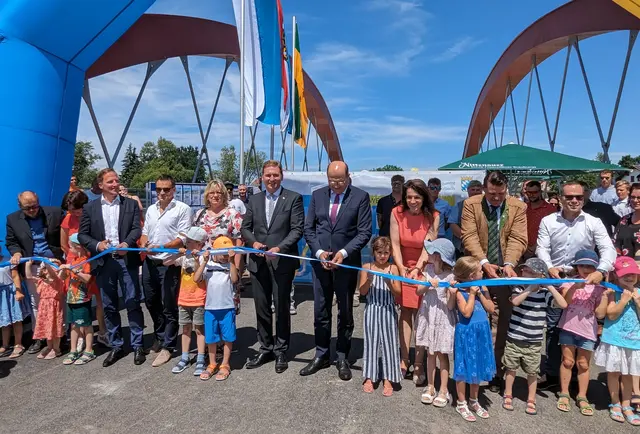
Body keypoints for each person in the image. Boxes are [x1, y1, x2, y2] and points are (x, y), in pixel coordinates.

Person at [537, 181, 616, 389]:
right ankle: (555, 375)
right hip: (557, 279)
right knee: (555, 328)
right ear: (560, 197)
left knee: (582, 326)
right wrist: (548, 266)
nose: (574, 200)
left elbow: (608, 249)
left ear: (584, 198)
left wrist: (601, 270)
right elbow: (542, 248)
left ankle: (575, 376)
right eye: (569, 197)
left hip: (584, 280)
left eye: (579, 197)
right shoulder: (548, 221)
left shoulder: (594, 222)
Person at [301, 161, 372, 381]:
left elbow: (364, 232)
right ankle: (321, 354)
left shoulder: (360, 197)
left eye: (340, 180)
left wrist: (343, 253)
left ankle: (343, 355)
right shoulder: (318, 195)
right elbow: (309, 228)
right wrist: (320, 252)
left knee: (345, 311)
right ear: (327, 177)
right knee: (321, 311)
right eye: (332, 180)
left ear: (348, 176)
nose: (336, 184)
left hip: (346, 264)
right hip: (320, 264)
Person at [461, 170, 527, 393]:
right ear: (484, 189)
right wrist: (483, 261)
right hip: (477, 270)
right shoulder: (471, 204)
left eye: (501, 193)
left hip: (504, 272)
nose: (497, 198)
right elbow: (469, 235)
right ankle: (475, 367)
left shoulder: (518, 207)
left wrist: (509, 263)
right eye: (492, 193)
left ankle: (496, 370)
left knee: (501, 322)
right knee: (475, 320)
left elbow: (518, 238)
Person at [78, 168, 146, 367]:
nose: (115, 184)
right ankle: (116, 345)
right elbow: (83, 235)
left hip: (126, 260)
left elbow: (136, 228)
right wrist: (98, 245)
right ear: (101, 185)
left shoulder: (131, 204)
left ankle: (138, 345)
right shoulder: (90, 208)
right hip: (103, 261)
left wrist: (127, 243)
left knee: (132, 301)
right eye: (110, 182)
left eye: (116, 181)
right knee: (108, 305)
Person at [242, 160, 304, 374]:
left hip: (282, 261)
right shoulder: (254, 199)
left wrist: (280, 247)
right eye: (268, 175)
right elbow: (245, 228)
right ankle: (266, 347)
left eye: (275, 175)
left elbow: (297, 229)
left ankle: (281, 350)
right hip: (258, 262)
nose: (271, 179)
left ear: (281, 176)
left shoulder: (293, 198)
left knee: (282, 307)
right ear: (262, 177)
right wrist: (254, 243)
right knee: (261, 307)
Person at [501, 258, 567, 415]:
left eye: (530, 271)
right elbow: (516, 302)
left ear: (540, 275)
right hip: (515, 337)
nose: (525, 272)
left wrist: (550, 286)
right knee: (510, 368)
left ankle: (531, 399)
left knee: (532, 372)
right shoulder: (519, 287)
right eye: (524, 270)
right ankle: (508, 394)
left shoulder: (544, 294)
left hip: (534, 341)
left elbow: (563, 304)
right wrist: (529, 288)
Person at [140, 175, 192, 367]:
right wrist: (144, 243)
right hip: (150, 262)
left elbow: (183, 238)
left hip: (169, 264)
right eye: (159, 189)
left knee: (169, 306)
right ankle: (160, 336)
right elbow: (145, 231)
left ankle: (168, 346)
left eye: (166, 189)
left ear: (173, 190)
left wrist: (161, 246)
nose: (162, 193)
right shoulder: (151, 209)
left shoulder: (182, 209)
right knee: (151, 302)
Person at [390, 178, 439, 380]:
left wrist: (418, 268)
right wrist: (401, 268)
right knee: (405, 313)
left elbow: (429, 246)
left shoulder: (433, 216)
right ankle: (404, 358)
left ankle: (419, 362)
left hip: (423, 267)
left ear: (424, 197)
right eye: (409, 197)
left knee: (422, 316)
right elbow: (394, 244)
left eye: (416, 197)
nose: (412, 201)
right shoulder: (396, 213)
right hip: (403, 265)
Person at [6, 190, 63, 354]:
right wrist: (16, 252)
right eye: (27, 208)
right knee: (35, 302)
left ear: (38, 201)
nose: (32, 210)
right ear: (20, 206)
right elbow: (11, 242)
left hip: (54, 264)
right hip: (32, 266)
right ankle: (41, 336)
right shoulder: (12, 219)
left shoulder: (54, 213)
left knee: (57, 301)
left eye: (34, 206)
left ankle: (59, 336)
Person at [556, 249, 608, 416]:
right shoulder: (569, 282)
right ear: (576, 267)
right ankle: (564, 393)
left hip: (588, 331)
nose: (586, 269)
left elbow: (600, 314)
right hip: (568, 327)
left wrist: (605, 296)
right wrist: (575, 287)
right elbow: (565, 302)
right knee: (567, 361)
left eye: (590, 266)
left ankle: (582, 395)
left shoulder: (600, 288)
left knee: (583, 364)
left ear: (596, 268)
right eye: (582, 265)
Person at [594, 256, 640, 425]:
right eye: (625, 274)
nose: (629, 278)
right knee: (614, 373)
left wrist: (636, 300)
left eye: (633, 274)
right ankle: (615, 403)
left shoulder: (639, 293)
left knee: (628, 375)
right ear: (616, 275)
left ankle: (627, 405)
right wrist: (624, 300)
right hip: (614, 339)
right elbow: (611, 314)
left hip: (633, 341)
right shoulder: (613, 292)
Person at [61, 190, 108, 346]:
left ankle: (102, 332)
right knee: (77, 300)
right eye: (71, 211)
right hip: (76, 263)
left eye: (77, 210)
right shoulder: (68, 219)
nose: (74, 213)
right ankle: (80, 336)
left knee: (100, 299)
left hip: (93, 261)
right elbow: (64, 244)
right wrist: (76, 261)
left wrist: (88, 258)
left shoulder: (94, 214)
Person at [452, 256, 496, 422]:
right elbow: (466, 312)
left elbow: (491, 309)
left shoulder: (483, 286)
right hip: (466, 332)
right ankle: (461, 402)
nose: (482, 273)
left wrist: (481, 293)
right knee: (463, 367)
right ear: (471, 275)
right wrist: (471, 294)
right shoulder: (459, 290)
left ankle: (474, 400)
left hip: (481, 331)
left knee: (477, 365)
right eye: (479, 271)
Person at [415, 239, 457, 407]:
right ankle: (431, 386)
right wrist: (428, 285)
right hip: (428, 315)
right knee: (430, 353)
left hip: (442, 317)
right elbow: (418, 291)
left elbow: (450, 305)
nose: (429, 254)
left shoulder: (450, 276)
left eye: (432, 252)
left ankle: (444, 390)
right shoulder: (428, 269)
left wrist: (452, 293)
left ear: (439, 256)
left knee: (442, 354)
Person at [359, 236, 402, 397]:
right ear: (374, 252)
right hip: (372, 309)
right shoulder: (367, 267)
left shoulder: (393, 268)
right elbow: (362, 292)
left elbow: (398, 293)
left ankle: (388, 378)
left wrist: (390, 282)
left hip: (388, 310)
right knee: (371, 343)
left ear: (390, 253)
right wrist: (369, 281)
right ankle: (370, 376)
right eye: (379, 252)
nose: (382, 256)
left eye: (385, 253)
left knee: (390, 344)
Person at [193, 179, 243, 313]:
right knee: (204, 309)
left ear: (224, 195)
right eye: (212, 192)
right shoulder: (199, 215)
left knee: (226, 308)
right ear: (207, 195)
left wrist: (236, 266)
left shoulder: (232, 215)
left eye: (219, 192)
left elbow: (239, 241)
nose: (215, 195)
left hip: (226, 267)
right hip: (205, 267)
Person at [164, 227, 208, 376]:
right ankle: (184, 357)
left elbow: (198, 277)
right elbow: (166, 262)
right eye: (187, 241)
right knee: (186, 329)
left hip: (198, 299)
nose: (186, 243)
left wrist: (196, 259)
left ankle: (201, 358)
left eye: (189, 241)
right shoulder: (184, 256)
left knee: (199, 330)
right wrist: (178, 252)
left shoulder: (203, 258)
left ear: (199, 244)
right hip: (183, 299)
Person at [194, 236, 238, 381]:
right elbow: (196, 278)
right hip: (210, 308)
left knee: (227, 337)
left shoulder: (229, 266)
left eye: (228, 253)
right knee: (211, 338)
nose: (225, 257)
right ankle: (212, 363)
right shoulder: (208, 266)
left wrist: (232, 261)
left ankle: (225, 364)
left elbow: (235, 279)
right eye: (223, 253)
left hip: (227, 308)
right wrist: (203, 261)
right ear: (215, 252)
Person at [59, 234, 96, 366]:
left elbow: (87, 279)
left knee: (86, 325)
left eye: (71, 247)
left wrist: (74, 271)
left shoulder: (87, 261)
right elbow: (63, 278)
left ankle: (89, 350)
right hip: (71, 299)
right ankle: (73, 350)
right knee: (73, 325)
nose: (69, 249)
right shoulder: (74, 261)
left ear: (78, 247)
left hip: (82, 299)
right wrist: (63, 269)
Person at [24, 259, 64, 360]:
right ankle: (49, 347)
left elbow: (53, 274)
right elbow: (29, 277)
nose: (49, 269)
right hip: (44, 309)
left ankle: (56, 349)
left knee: (54, 329)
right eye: (46, 268)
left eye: (52, 267)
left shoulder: (57, 280)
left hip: (53, 309)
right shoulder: (41, 281)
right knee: (47, 328)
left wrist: (47, 263)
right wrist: (28, 265)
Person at [0, 248, 25, 358]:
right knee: (4, 321)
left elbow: (15, 276)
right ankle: (5, 345)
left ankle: (18, 344)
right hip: (1, 293)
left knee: (16, 320)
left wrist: (18, 291)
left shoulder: (8, 259)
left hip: (11, 291)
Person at [449, 180, 483, 257]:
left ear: (482, 190)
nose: (475, 192)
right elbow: (453, 225)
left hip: (483, 247)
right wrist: (469, 240)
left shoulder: (487, 206)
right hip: (463, 247)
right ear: (468, 190)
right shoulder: (459, 205)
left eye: (478, 190)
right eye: (473, 190)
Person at [524, 180, 556, 259]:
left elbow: (553, 231)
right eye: (528, 192)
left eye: (534, 192)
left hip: (543, 250)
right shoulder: (523, 208)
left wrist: (535, 246)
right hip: (524, 250)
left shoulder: (550, 209)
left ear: (540, 192)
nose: (531, 195)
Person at [614, 182, 640, 259]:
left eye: (639, 198)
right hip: (623, 267)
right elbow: (614, 242)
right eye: (632, 197)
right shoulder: (624, 220)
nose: (635, 200)